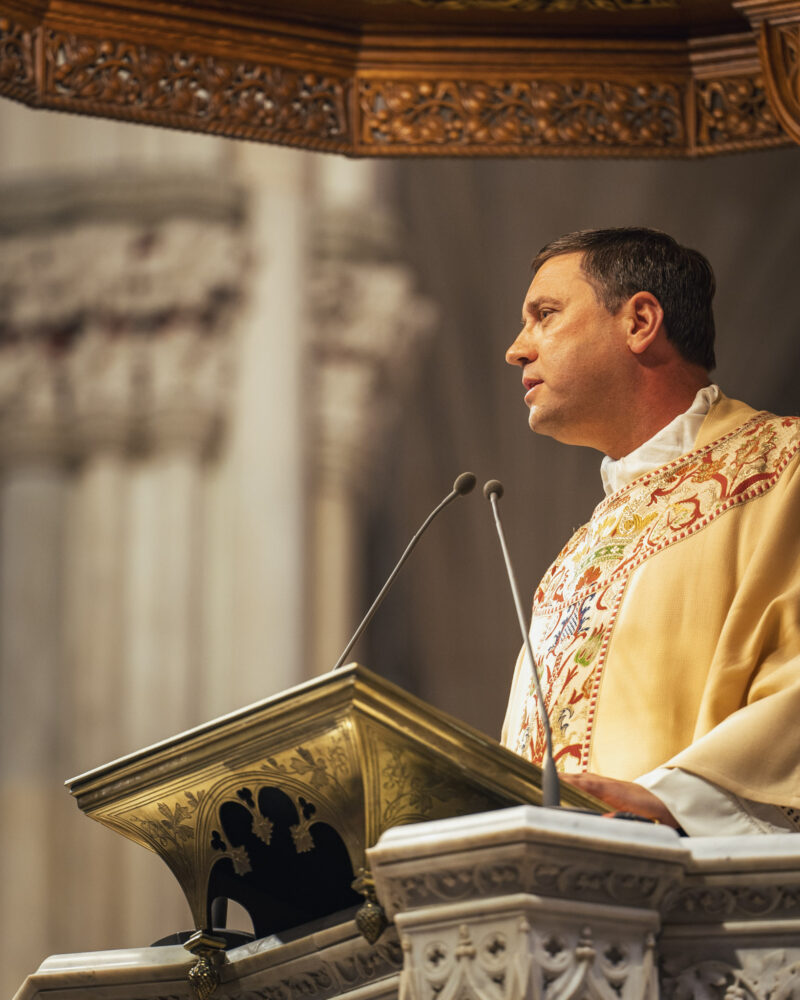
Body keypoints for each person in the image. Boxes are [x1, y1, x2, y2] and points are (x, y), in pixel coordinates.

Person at [502, 227, 800, 835]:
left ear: (640, 321)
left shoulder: (783, 466)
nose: (517, 349)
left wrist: (672, 803)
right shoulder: (576, 557)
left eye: (545, 315)